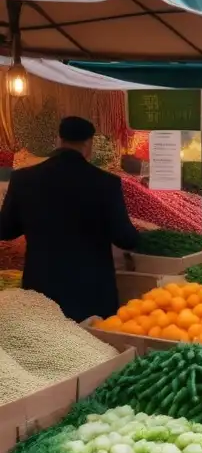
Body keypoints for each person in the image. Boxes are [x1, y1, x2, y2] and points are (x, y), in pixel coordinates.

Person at [0, 117, 139, 322]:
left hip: (42, 288)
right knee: (96, 349)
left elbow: (5, 230)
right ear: (88, 143)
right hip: (92, 291)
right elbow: (125, 238)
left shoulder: (23, 179)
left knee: (48, 346)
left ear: (59, 139)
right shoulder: (106, 183)